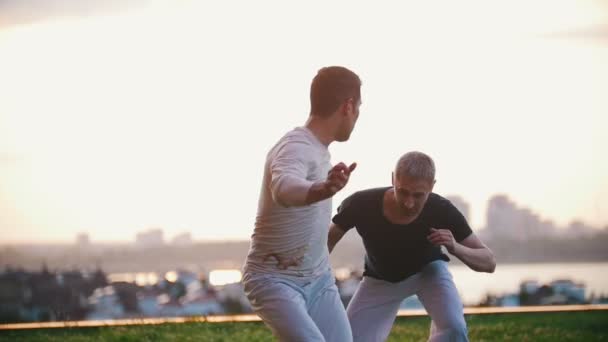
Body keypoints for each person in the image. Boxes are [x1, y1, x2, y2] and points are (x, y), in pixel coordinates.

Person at [242, 66, 362, 342]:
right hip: (274, 280)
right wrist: (320, 189)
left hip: (318, 279)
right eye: (358, 109)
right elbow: (283, 188)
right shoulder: (296, 147)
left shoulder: (320, 151)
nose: (357, 117)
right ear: (348, 106)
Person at [328, 151, 496, 342]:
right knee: (350, 339)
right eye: (403, 192)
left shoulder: (442, 209)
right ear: (393, 179)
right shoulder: (360, 203)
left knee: (454, 329)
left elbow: (489, 262)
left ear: (432, 187)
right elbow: (326, 243)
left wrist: (455, 247)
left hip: (429, 273)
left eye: (418, 195)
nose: (409, 203)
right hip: (381, 279)